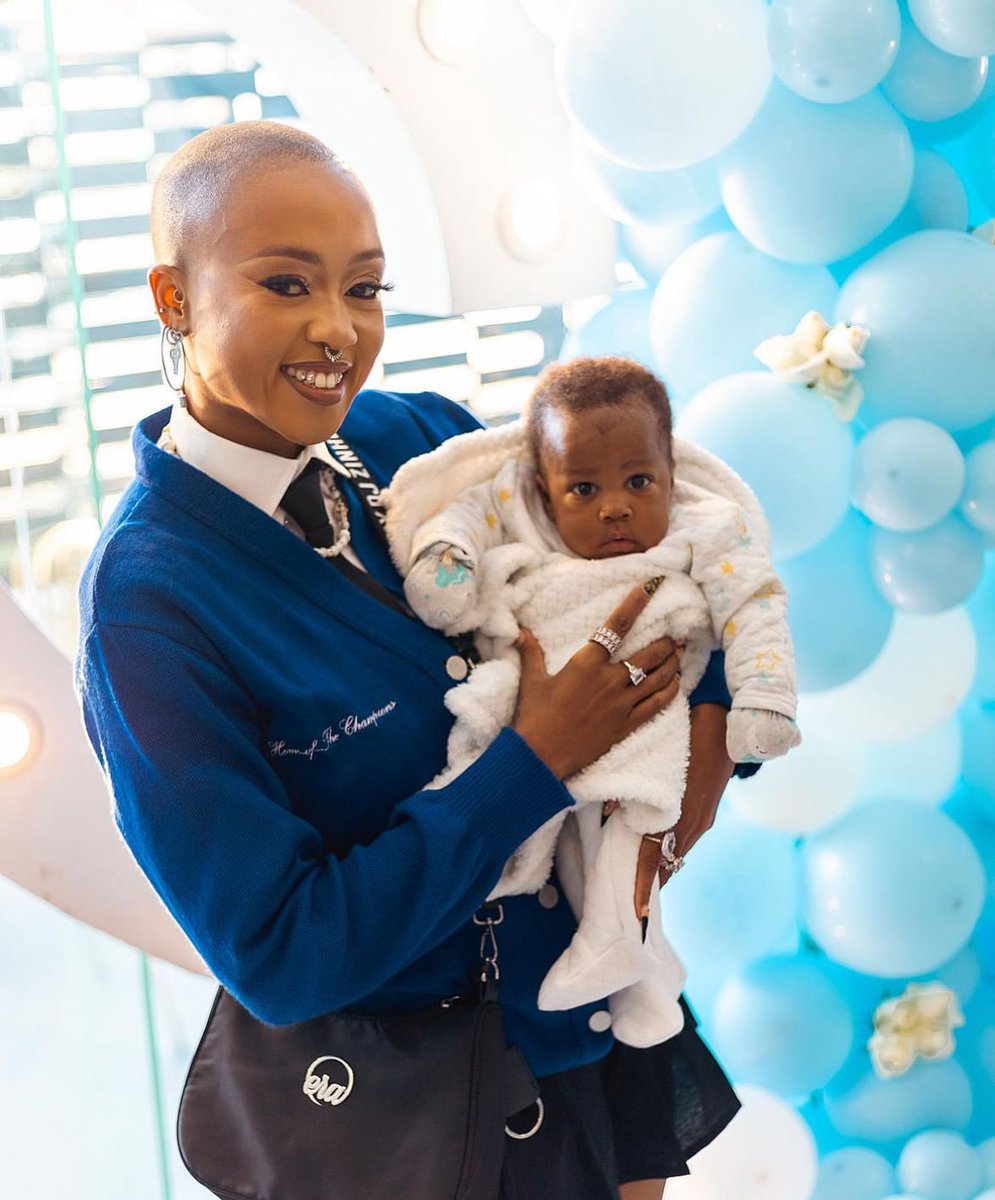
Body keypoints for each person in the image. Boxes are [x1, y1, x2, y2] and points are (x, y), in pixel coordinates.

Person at [75, 120, 746, 1200]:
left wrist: (710, 719)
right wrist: (530, 764)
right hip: (417, 1118)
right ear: (173, 297)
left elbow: (633, 562)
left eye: (367, 289)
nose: (337, 329)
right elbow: (282, 954)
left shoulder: (422, 444)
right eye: (286, 284)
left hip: (585, 1043)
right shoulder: (148, 608)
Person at [385, 356, 800, 1048]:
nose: (614, 506)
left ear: (671, 470)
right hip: (542, 704)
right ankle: (643, 977)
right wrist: (447, 560)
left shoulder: (703, 525)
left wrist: (757, 697)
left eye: (639, 481)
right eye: (582, 489)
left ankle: (624, 948)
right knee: (561, 839)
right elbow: (461, 515)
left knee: (628, 826)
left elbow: (753, 607)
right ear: (544, 491)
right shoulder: (516, 501)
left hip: (655, 700)